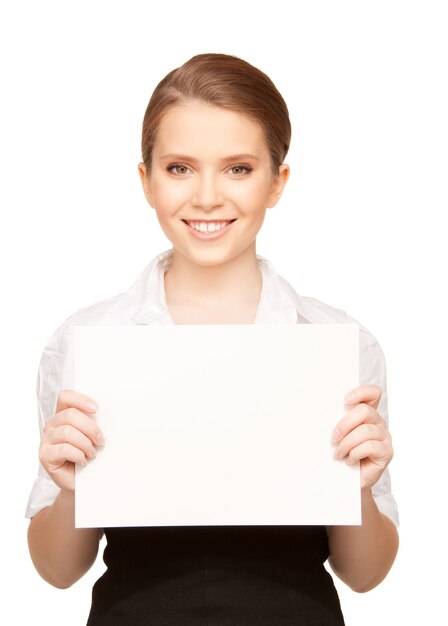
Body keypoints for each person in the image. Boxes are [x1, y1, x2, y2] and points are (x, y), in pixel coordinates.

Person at [26, 53, 399, 625]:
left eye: (238, 168)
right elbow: (58, 571)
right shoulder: (88, 341)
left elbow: (365, 575)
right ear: (145, 180)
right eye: (179, 168)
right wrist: (73, 489)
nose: (205, 197)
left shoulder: (336, 343)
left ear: (278, 182)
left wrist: (360, 487)